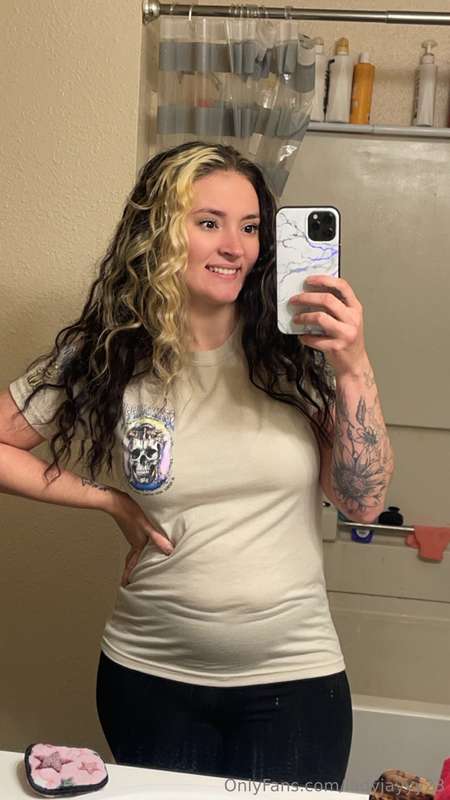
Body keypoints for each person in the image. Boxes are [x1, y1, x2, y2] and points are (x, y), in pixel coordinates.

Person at [1, 140, 392, 787]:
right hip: (148, 678)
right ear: (158, 231)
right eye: (209, 222)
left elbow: (364, 500)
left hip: (293, 683)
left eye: (251, 228)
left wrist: (353, 366)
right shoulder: (107, 353)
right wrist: (109, 499)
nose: (235, 247)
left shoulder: (296, 356)